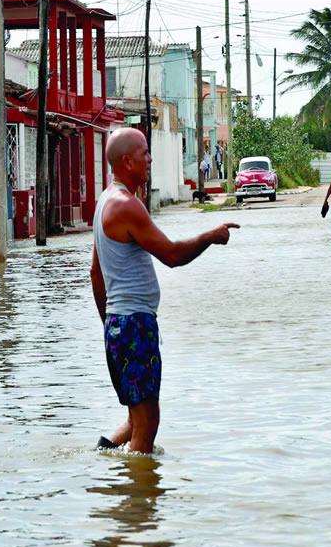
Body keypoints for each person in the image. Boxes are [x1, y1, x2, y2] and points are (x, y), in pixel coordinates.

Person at [91, 127, 239, 454]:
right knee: (148, 420)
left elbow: (95, 272)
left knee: (136, 416)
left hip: (120, 323)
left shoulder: (105, 200)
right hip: (133, 324)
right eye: (145, 152)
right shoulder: (126, 205)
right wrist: (209, 237)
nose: (150, 158)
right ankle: (139, 500)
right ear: (127, 161)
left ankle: (102, 457)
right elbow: (171, 255)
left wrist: (109, 325)